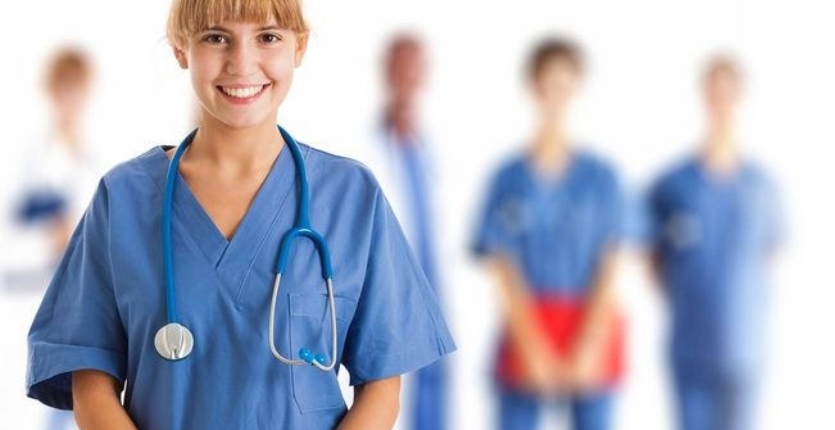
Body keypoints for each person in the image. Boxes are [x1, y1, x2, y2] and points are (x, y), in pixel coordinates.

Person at [24, 1, 456, 429]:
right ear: (180, 49)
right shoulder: (123, 199)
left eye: (268, 37)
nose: (242, 63)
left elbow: (382, 383)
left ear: (299, 47)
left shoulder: (352, 197)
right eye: (216, 37)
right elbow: (90, 379)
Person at [472, 37, 625, 430]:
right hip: (528, 325)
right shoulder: (508, 179)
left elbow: (611, 264)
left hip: (590, 324)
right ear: (533, 87)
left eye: (565, 85)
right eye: (547, 84)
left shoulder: (601, 178)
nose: (555, 96)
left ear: (576, 90)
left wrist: (588, 344)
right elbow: (502, 266)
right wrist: (532, 347)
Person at [646, 55, 784, 430]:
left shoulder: (762, 187)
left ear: (740, 98)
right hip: (690, 343)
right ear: (703, 95)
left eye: (729, 92)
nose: (720, 100)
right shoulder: (672, 184)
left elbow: (771, 257)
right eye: (714, 91)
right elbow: (652, 259)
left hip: (745, 343)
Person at [358, 33, 450, 430]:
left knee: (434, 383)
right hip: (389, 282)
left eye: (415, 67)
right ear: (386, 71)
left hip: (434, 281)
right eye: (399, 66)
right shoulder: (363, 145)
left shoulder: (433, 144)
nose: (407, 77)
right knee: (391, 384)